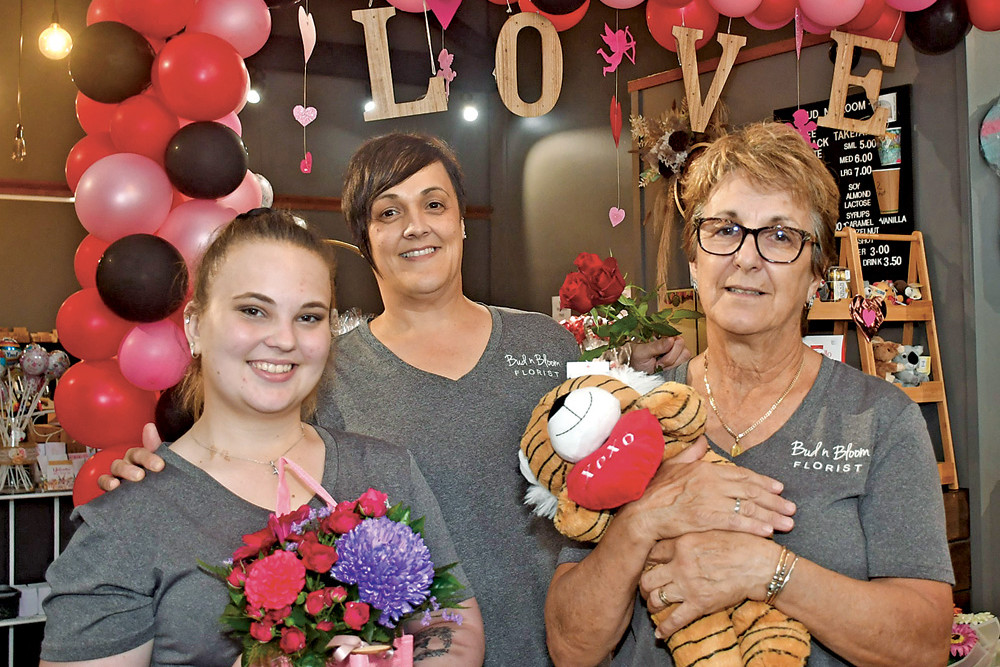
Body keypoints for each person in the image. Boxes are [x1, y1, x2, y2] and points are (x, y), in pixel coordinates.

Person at [99, 133, 691, 664]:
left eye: (434, 204)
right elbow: (247, 473)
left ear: (461, 223)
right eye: (389, 212)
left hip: (578, 646)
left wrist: (657, 373)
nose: (416, 226)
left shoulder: (543, 341)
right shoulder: (321, 375)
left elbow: (620, 465)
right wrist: (157, 479)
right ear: (365, 240)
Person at [545, 122, 954, 666]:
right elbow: (571, 647)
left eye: (781, 235)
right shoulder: (629, 414)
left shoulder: (879, 421)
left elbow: (924, 643)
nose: (746, 257)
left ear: (816, 276)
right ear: (694, 258)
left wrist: (766, 572)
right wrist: (643, 520)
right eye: (725, 230)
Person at [41, 210, 484, 666]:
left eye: (309, 317)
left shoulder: (383, 471)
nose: (284, 339)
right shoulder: (128, 520)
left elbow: (453, 630)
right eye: (254, 311)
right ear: (195, 326)